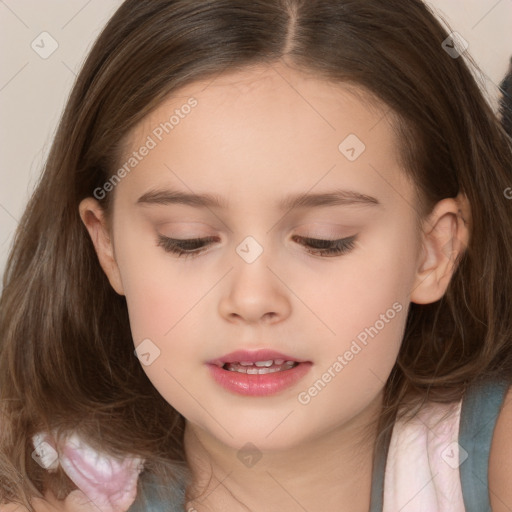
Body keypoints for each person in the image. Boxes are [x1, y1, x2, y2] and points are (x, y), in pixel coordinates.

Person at [1, 1, 511, 511]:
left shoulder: (488, 459)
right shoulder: (45, 488)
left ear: (433, 252)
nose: (251, 299)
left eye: (323, 239)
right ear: (107, 245)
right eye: (188, 239)